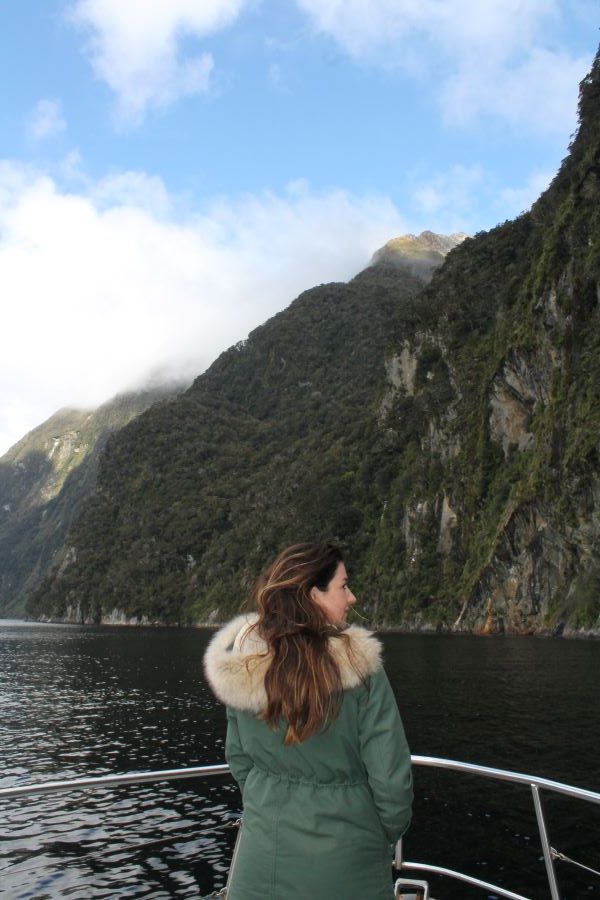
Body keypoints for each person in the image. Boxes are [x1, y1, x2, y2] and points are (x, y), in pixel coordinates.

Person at [203, 542, 413, 899]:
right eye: (343, 586)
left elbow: (238, 758)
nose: (353, 597)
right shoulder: (362, 671)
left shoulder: (244, 667)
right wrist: (379, 834)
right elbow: (391, 779)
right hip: (348, 864)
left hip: (261, 861)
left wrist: (267, 803)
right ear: (314, 594)